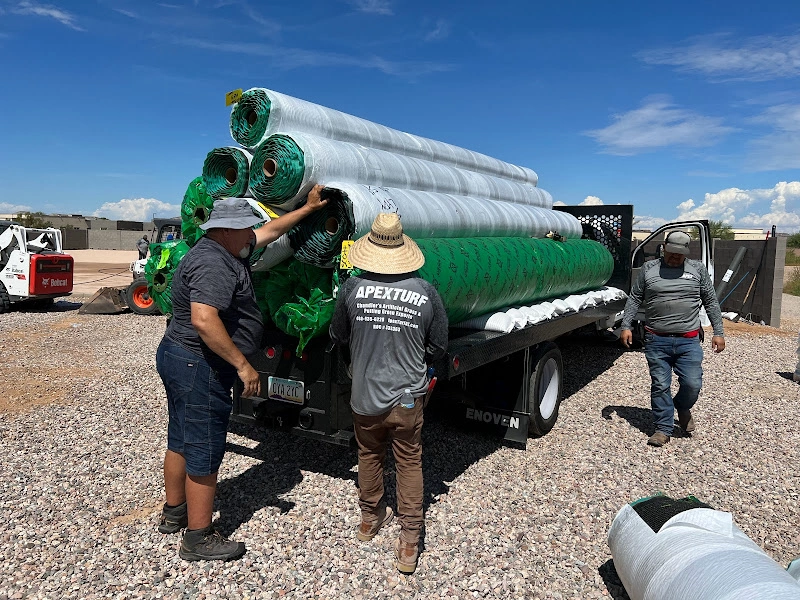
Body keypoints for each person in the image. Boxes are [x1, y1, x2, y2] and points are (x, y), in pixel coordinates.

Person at [155, 187, 328, 561]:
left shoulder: (225, 248)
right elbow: (204, 319)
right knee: (204, 445)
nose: (253, 234)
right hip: (197, 364)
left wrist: (308, 209)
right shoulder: (214, 263)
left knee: (181, 437)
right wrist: (243, 365)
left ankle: (174, 513)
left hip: (180, 357)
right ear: (225, 231)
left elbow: (271, 232)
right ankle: (198, 537)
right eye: (246, 229)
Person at [330, 213, 448, 575]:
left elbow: (338, 336)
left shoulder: (352, 290)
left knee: (368, 453)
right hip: (408, 399)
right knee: (409, 461)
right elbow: (439, 347)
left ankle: (370, 518)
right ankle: (410, 539)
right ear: (402, 248)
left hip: (365, 395)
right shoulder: (426, 292)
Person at [620, 230, 725, 447]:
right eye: (672, 252)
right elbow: (634, 298)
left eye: (680, 253)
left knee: (692, 383)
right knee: (660, 385)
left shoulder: (697, 269)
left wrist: (718, 332)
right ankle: (663, 428)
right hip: (656, 340)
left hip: (688, 340)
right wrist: (626, 325)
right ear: (664, 247)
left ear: (686, 252)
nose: (675, 257)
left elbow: (711, 302)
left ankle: (682, 406)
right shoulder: (649, 269)